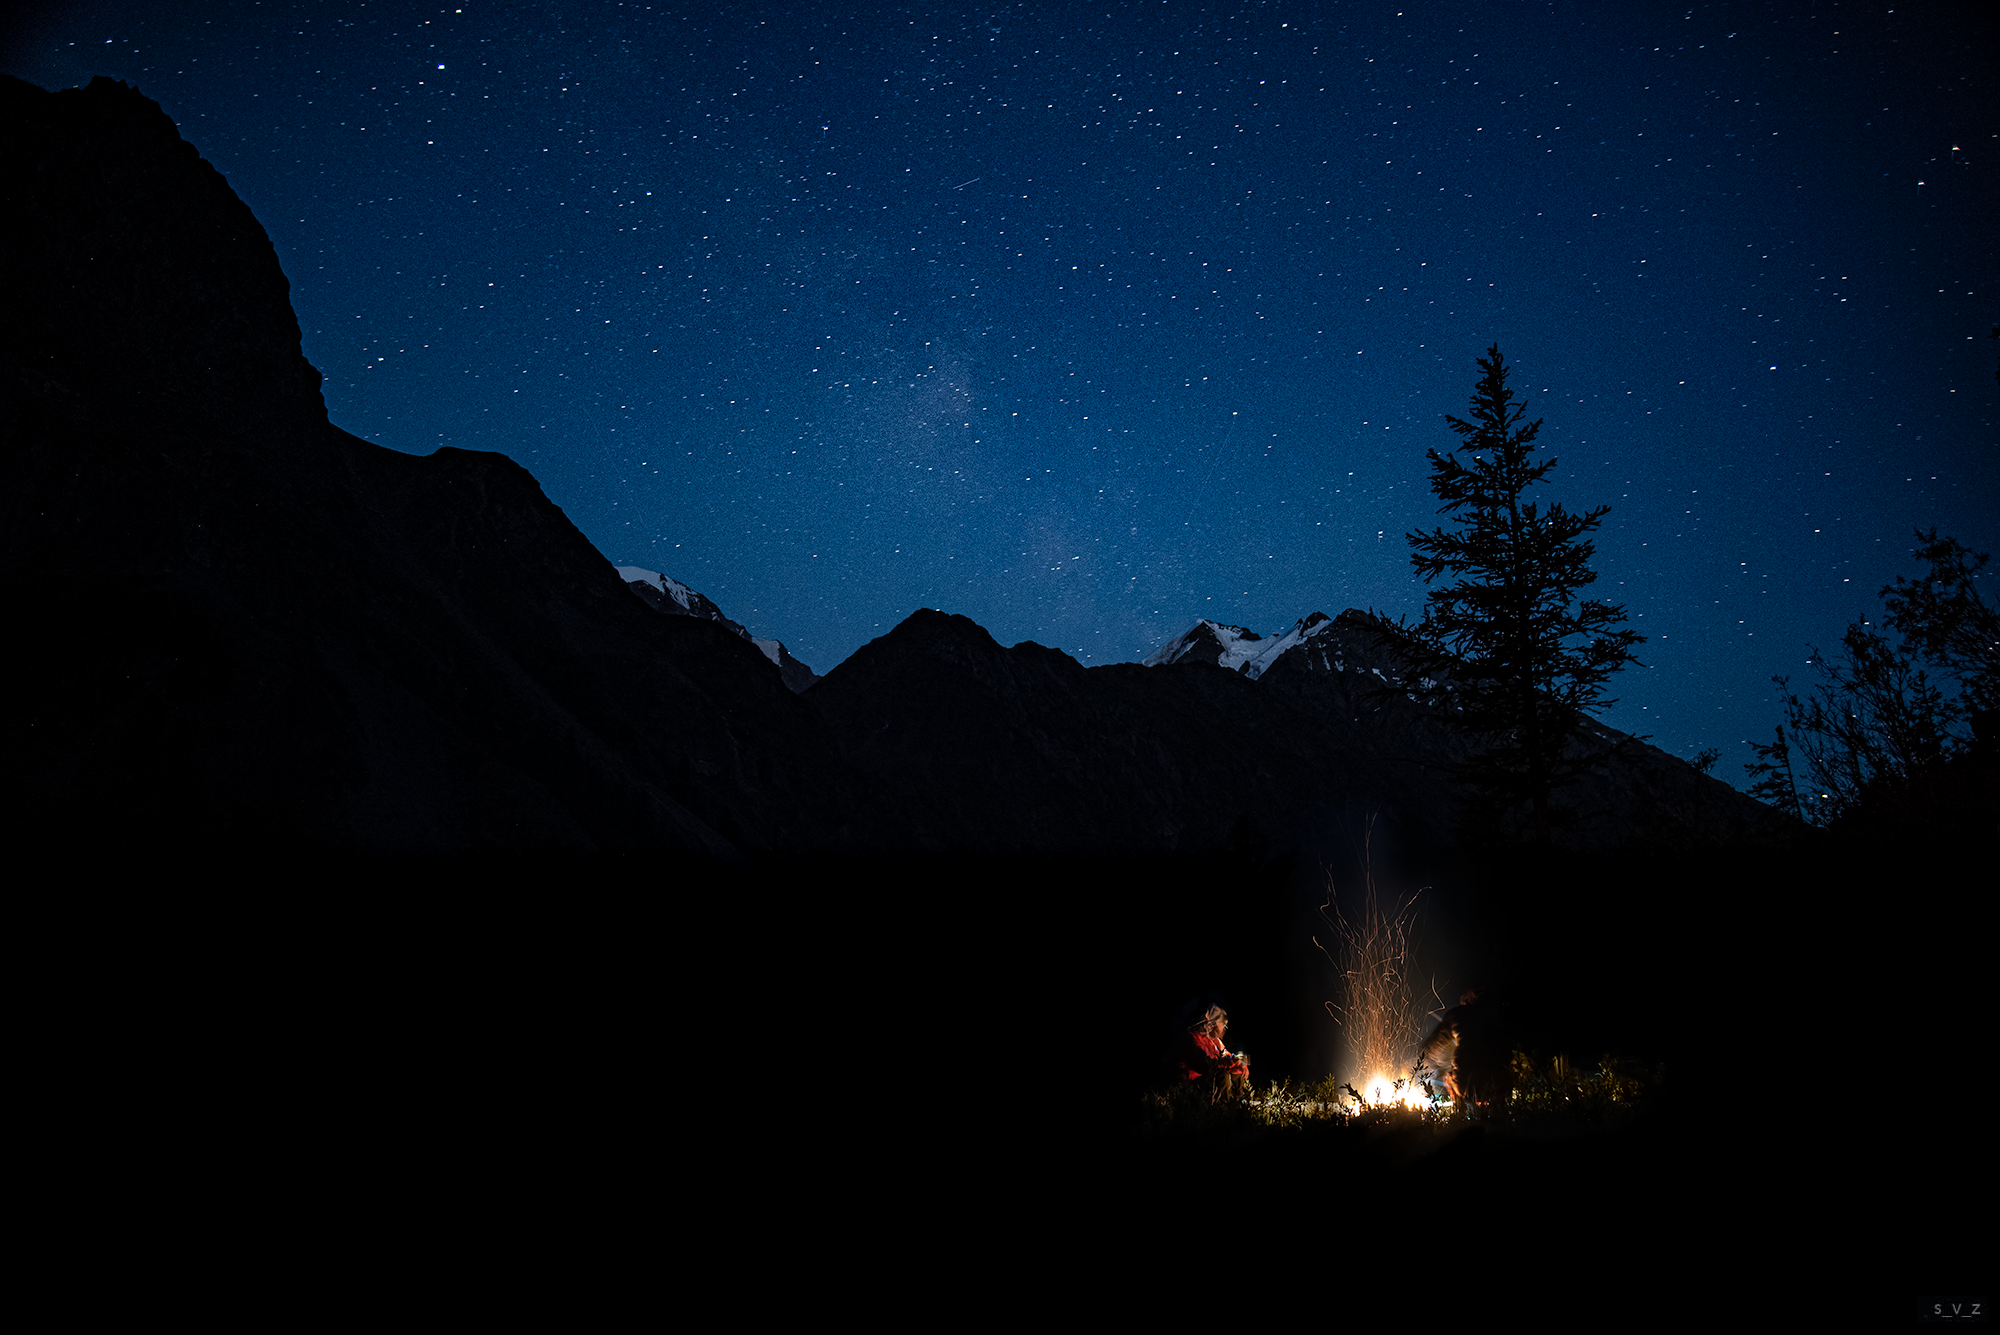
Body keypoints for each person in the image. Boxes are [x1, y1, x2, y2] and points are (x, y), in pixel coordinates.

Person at [1418, 987, 1509, 1117]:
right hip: (1502, 1083)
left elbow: (1435, 1050)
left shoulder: (1458, 1014)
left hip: (1469, 1083)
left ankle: (1459, 1118)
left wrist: (1444, 1070)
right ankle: (1499, 1121)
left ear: (1466, 1001)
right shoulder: (1501, 1016)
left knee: (1450, 1076)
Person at [1171, 1001, 1252, 1102]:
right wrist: (1231, 1062)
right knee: (1223, 1076)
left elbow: (1227, 1055)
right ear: (1212, 1023)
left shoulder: (1214, 1040)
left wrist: (1240, 1062)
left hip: (1207, 1080)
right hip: (1192, 1084)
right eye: (1222, 1024)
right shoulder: (1192, 1039)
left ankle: (1238, 1105)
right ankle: (1221, 1110)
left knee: (1238, 1071)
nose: (1224, 1028)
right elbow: (1205, 1065)